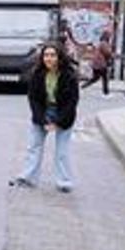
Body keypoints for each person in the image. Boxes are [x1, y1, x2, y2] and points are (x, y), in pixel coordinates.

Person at [10, 42, 79, 193]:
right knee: (34, 146)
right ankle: (27, 177)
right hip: (43, 111)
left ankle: (64, 182)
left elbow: (72, 102)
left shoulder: (69, 75)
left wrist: (58, 122)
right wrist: (42, 120)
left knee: (62, 151)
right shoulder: (37, 74)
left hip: (64, 113)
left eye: (52, 55)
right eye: (46, 55)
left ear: (59, 57)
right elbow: (33, 99)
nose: (49, 58)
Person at [82, 30, 114, 95]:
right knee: (105, 77)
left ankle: (83, 86)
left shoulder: (101, 43)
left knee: (95, 78)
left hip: (96, 63)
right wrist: (112, 54)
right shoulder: (104, 43)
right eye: (109, 36)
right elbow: (107, 52)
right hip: (101, 64)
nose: (109, 38)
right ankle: (106, 92)